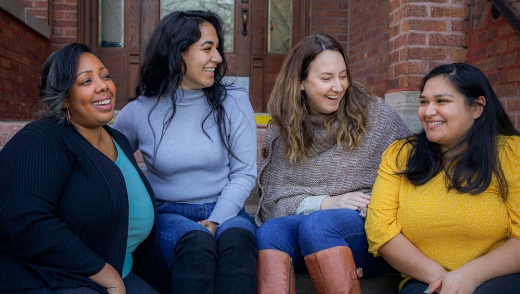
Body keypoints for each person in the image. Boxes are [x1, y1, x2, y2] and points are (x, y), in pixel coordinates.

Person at [0, 43, 168, 293]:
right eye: (86, 81)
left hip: (120, 273)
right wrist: (107, 276)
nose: (103, 86)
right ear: (64, 98)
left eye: (105, 75)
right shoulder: (41, 139)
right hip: (52, 277)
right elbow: (29, 223)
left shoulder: (118, 140)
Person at [113, 10, 258, 294]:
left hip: (227, 208)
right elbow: (111, 163)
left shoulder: (234, 101)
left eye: (217, 48)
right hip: (168, 214)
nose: (217, 58)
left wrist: (217, 218)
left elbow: (244, 172)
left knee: (238, 245)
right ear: (177, 53)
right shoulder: (140, 112)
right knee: (196, 245)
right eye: (207, 49)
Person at [254, 33, 411, 294]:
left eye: (343, 75)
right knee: (271, 232)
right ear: (301, 82)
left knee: (318, 225)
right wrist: (326, 202)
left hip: (366, 231)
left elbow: (412, 168)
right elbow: (273, 200)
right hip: (310, 236)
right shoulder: (284, 130)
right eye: (326, 78)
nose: (338, 86)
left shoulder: (374, 114)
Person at [365, 63, 520, 294]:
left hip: (498, 279)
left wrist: (469, 276)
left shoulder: (510, 154)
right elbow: (380, 229)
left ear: (477, 107)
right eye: (424, 102)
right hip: (424, 281)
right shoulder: (400, 155)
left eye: (442, 101)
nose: (428, 112)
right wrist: (444, 279)